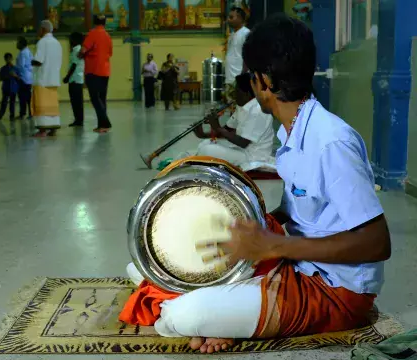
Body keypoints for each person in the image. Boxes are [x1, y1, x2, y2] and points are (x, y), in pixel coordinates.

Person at [127, 15, 392, 354]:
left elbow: (376, 242)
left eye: (251, 77)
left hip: (335, 290)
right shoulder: (293, 130)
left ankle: (221, 320)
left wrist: (272, 247)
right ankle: (229, 316)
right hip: (298, 264)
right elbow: (302, 213)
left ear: (264, 80)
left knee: (181, 314)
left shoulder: (330, 142)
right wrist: (255, 226)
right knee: (144, 270)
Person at [190, 72, 274, 168]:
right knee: (204, 144)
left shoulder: (257, 111)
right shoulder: (241, 106)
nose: (234, 95)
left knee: (207, 150)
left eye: (237, 91)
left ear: (246, 94)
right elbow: (227, 130)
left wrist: (217, 127)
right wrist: (203, 134)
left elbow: (243, 142)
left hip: (253, 156)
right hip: (241, 150)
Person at [80, 15, 113, 133]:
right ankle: (102, 126)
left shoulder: (92, 34)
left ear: (94, 22)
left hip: (93, 70)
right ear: (105, 22)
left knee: (95, 98)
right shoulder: (108, 36)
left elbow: (83, 50)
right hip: (105, 71)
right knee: (102, 99)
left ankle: (105, 123)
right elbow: (110, 53)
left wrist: (81, 55)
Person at [31, 20, 63, 137]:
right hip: (54, 78)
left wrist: (31, 61)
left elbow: (38, 61)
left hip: (43, 78)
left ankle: (42, 130)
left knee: (42, 104)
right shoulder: (57, 43)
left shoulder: (42, 42)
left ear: (43, 29)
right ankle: (53, 128)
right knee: (52, 105)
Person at [224, 7, 250, 102]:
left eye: (231, 17)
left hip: (239, 77)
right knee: (231, 106)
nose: (228, 20)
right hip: (230, 77)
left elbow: (248, 55)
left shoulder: (246, 33)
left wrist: (242, 76)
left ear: (240, 18)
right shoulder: (232, 34)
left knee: (240, 105)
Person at [64, 32, 85, 127]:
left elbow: (74, 65)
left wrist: (67, 77)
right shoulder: (77, 49)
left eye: (70, 39)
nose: (69, 41)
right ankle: (78, 119)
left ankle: (79, 120)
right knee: (77, 101)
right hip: (76, 78)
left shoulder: (77, 50)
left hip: (75, 79)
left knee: (76, 101)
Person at [15, 36, 33, 120]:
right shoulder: (29, 51)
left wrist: (17, 76)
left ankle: (22, 114)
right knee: (29, 97)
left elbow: (21, 67)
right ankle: (31, 113)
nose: (16, 44)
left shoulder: (22, 53)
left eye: (18, 42)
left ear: (21, 44)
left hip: (23, 78)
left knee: (22, 97)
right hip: (29, 77)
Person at [0, 52, 19, 121]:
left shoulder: (15, 68)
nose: (8, 60)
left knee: (12, 103)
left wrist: (15, 76)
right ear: (5, 59)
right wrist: (8, 76)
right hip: (6, 88)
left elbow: (18, 78)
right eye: (7, 58)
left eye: (10, 58)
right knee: (4, 103)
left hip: (13, 88)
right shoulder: (2, 69)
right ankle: (0, 115)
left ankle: (12, 116)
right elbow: (0, 78)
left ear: (12, 59)